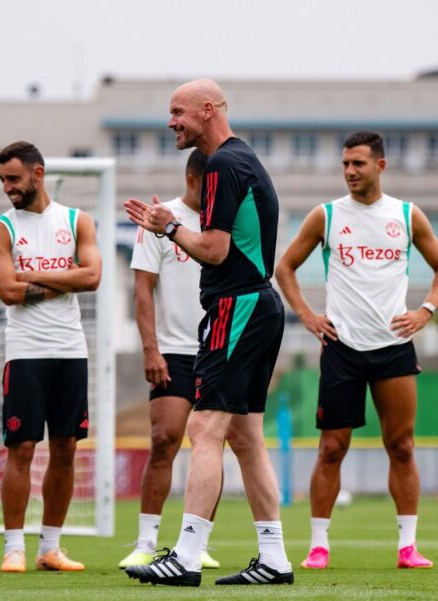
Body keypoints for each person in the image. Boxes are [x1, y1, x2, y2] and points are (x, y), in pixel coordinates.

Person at [123, 79, 293, 587]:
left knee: (204, 430)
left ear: (208, 109)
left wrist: (168, 227)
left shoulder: (221, 164)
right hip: (257, 304)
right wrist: (167, 224)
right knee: (246, 437)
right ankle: (275, 559)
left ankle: (188, 556)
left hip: (237, 306)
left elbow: (216, 250)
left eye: (178, 112)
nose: (171, 121)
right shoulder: (244, 159)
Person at [275, 130, 438, 570]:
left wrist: (426, 310)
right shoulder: (327, 216)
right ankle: (319, 545)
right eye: (345, 164)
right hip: (342, 348)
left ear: (380, 165)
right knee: (331, 449)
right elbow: (285, 267)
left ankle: (408, 547)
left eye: (358, 163)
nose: (350, 172)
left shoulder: (408, 216)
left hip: (394, 347)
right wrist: (307, 315)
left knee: (403, 446)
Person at [0, 141, 102, 573]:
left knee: (67, 449)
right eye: (2, 180)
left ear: (38, 174)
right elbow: (6, 292)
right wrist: (65, 279)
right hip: (25, 352)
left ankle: (49, 548)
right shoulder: (1, 228)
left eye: (13, 179)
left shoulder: (76, 221)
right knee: (21, 449)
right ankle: (13, 549)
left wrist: (33, 274)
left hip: (70, 350)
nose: (7, 187)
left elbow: (92, 277)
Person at [118, 149, 220, 571]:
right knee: (164, 440)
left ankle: (198, 544)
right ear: (195, 180)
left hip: (217, 349)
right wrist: (150, 349)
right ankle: (146, 542)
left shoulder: (225, 222)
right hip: (173, 351)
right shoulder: (160, 220)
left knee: (209, 444)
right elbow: (143, 289)